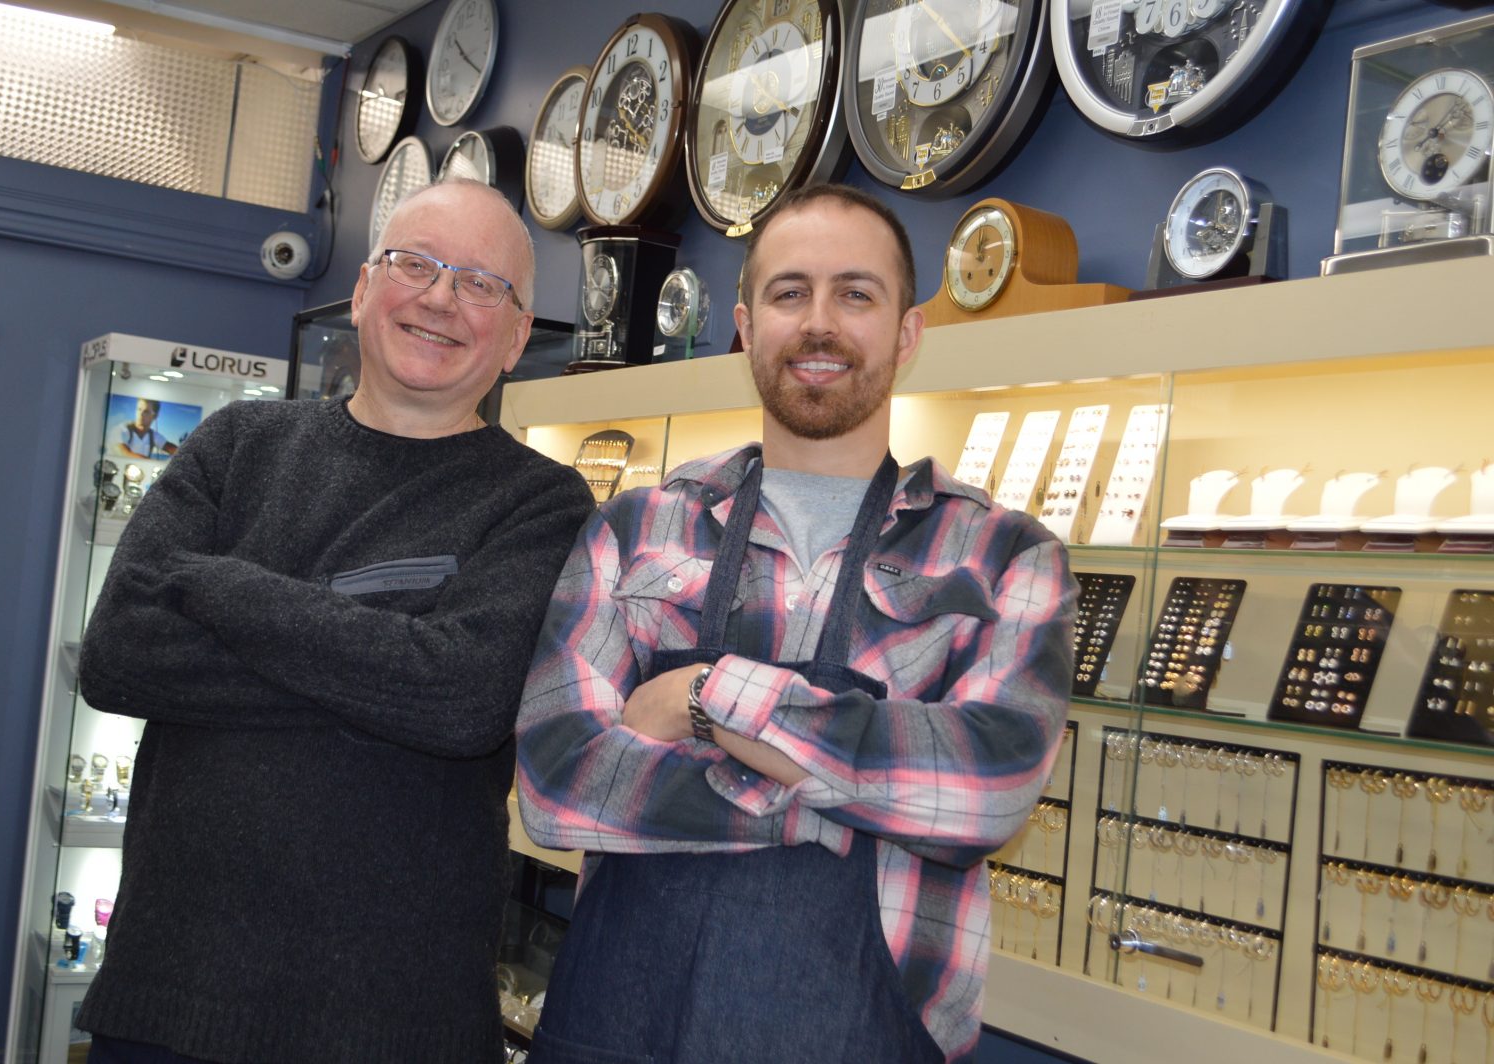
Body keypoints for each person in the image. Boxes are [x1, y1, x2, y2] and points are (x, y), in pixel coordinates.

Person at [515, 183, 1076, 1064]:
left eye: (856, 293)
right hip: (618, 1030)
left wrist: (704, 697)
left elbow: (985, 790)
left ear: (907, 333)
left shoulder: (1005, 558)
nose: (820, 323)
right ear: (745, 324)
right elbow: (556, 782)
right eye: (789, 292)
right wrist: (845, 801)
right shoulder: (637, 527)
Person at [75, 179, 596, 1064]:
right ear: (361, 291)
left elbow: (460, 700)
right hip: (164, 1007)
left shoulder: (542, 503)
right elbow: (120, 654)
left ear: (514, 340)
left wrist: (225, 589)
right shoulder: (236, 445)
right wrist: (378, 656)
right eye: (415, 264)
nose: (439, 298)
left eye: (480, 284)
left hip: (396, 1027)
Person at [110, 398, 179, 459]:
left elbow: (172, 449)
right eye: (139, 409)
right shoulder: (121, 429)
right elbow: (124, 453)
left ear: (155, 416)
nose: (141, 414)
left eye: (146, 411)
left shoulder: (153, 435)